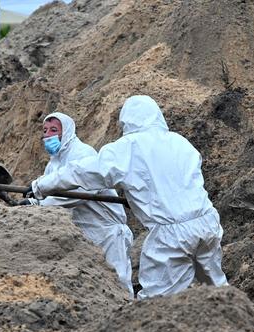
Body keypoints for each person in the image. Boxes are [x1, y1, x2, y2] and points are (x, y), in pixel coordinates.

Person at [28, 95, 228, 299]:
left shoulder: (129, 147)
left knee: (156, 303)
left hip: (172, 235)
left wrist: (40, 186)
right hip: (207, 224)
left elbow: (83, 173)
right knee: (216, 290)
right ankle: (237, 326)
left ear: (127, 120)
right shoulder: (180, 142)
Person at [19, 112, 134, 298]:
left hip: (107, 231)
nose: (48, 135)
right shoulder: (54, 163)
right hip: (85, 232)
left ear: (67, 131)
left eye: (54, 130)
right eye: (45, 130)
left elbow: (81, 192)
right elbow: (51, 188)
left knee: (118, 280)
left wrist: (41, 204)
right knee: (96, 286)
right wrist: (35, 199)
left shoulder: (82, 153)